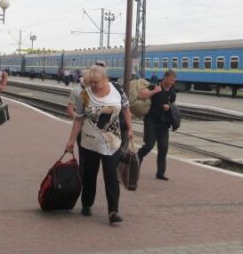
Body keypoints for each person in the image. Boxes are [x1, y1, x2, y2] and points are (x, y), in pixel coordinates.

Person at [65, 65, 133, 224]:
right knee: (89, 175)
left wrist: (130, 128)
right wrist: (71, 141)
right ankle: (87, 204)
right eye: (91, 82)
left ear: (105, 78)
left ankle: (113, 211)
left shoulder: (118, 90)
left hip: (112, 142)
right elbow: (78, 119)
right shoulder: (84, 95)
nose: (93, 85)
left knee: (111, 175)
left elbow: (126, 109)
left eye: (96, 82)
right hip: (90, 142)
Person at [137, 69, 177, 181]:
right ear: (165, 78)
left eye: (174, 80)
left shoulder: (172, 92)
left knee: (163, 148)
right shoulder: (154, 86)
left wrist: (169, 107)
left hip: (163, 124)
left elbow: (172, 104)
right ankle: (137, 158)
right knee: (149, 145)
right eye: (171, 80)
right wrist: (154, 91)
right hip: (151, 122)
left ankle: (160, 173)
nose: (173, 82)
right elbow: (140, 95)